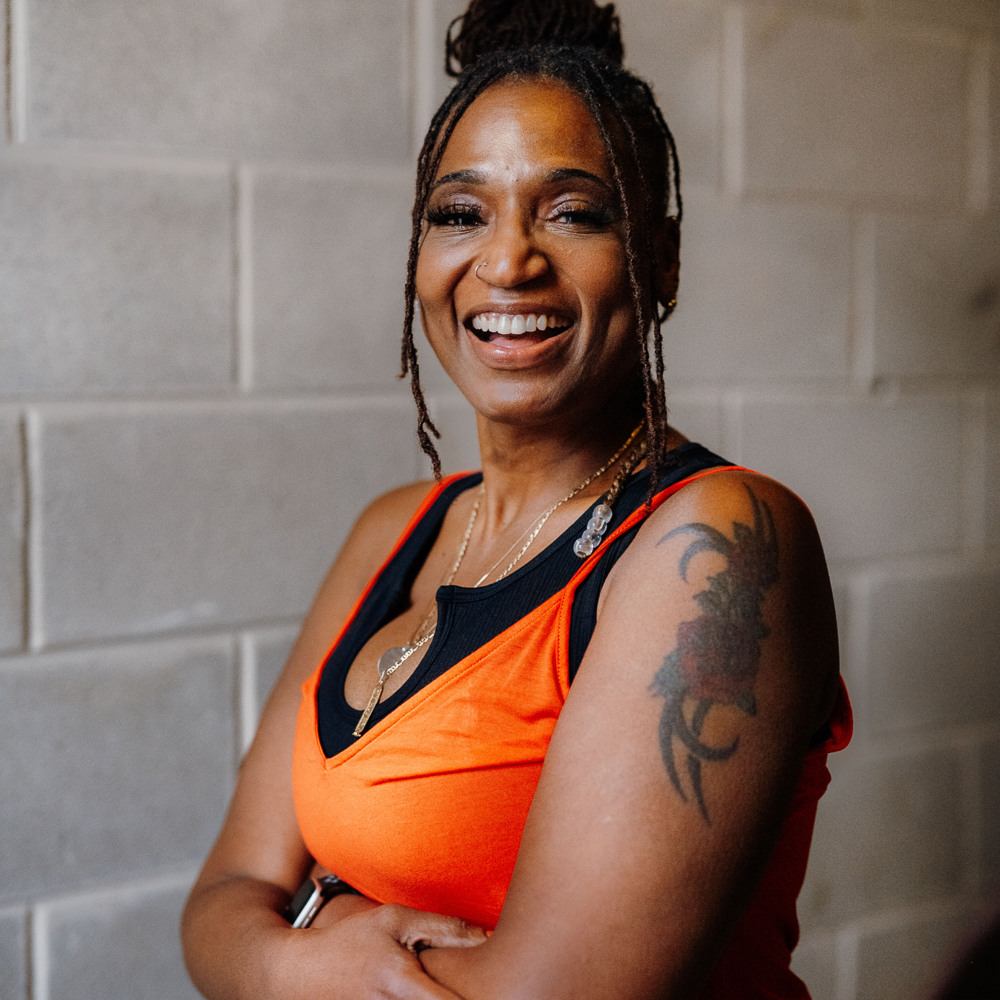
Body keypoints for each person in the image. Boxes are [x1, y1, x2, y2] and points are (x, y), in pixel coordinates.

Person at [181, 1, 851, 997]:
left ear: (662, 259)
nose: (506, 262)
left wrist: (323, 921)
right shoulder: (397, 530)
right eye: (460, 214)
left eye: (574, 212)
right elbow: (221, 900)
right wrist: (290, 960)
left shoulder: (715, 542)